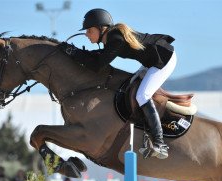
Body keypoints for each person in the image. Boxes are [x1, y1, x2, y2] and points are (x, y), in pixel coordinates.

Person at [59, 8, 177, 159]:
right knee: (130, 88)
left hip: (164, 59)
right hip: (152, 60)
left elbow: (98, 65)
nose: (87, 34)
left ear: (101, 29)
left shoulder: (115, 38)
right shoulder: (112, 37)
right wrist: (74, 52)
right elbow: (99, 57)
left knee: (142, 95)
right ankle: (147, 134)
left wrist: (73, 52)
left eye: (89, 30)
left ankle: (160, 143)